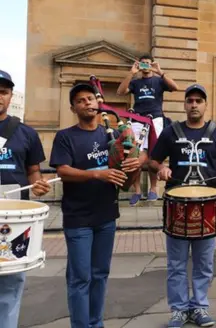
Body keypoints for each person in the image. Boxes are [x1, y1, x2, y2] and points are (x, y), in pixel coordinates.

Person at [50, 83, 142, 328]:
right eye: (80, 100)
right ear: (73, 107)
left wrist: (135, 165)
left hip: (106, 215)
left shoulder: (110, 136)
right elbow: (62, 170)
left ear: (98, 103)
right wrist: (98, 175)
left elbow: (125, 181)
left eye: (91, 98)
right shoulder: (65, 137)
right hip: (77, 217)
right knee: (80, 278)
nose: (87, 103)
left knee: (100, 275)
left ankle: (96, 323)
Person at [149, 84, 216, 328]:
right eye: (190, 101)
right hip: (177, 203)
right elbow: (152, 161)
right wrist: (161, 168)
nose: (194, 104)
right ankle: (178, 309)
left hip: (208, 204)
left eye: (199, 100)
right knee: (176, 263)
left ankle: (199, 307)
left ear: (205, 105)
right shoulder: (171, 133)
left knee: (204, 262)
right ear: (185, 104)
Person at [0, 69, 51, 328]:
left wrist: (38, 185)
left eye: (3, 92)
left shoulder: (26, 133)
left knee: (10, 282)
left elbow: (33, 171)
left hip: (14, 221)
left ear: (10, 96)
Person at [117, 54, 179, 205]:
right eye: (142, 63)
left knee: (154, 155)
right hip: (137, 120)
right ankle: (137, 191)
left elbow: (175, 87)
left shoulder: (158, 80)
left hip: (155, 119)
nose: (145, 66)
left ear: (151, 64)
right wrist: (131, 72)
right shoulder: (136, 82)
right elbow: (120, 92)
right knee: (133, 155)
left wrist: (160, 71)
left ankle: (153, 189)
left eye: (147, 63)